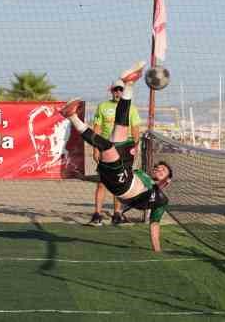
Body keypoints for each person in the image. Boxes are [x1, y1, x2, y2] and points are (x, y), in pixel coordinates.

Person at [60, 61, 172, 252]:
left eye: (163, 170)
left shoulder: (161, 198)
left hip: (123, 185)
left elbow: (154, 224)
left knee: (106, 145)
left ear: (167, 181)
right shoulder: (143, 175)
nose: (159, 169)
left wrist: (157, 249)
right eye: (158, 167)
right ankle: (129, 84)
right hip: (124, 173)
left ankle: (71, 116)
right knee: (121, 124)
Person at [89, 78, 141, 226]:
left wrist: (135, 147)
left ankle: (117, 214)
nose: (118, 92)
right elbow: (97, 129)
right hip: (106, 147)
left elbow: (136, 129)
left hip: (123, 149)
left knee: (120, 183)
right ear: (111, 91)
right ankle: (97, 214)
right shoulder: (103, 106)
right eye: (116, 89)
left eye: (121, 89)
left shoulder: (131, 108)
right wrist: (95, 148)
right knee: (102, 183)